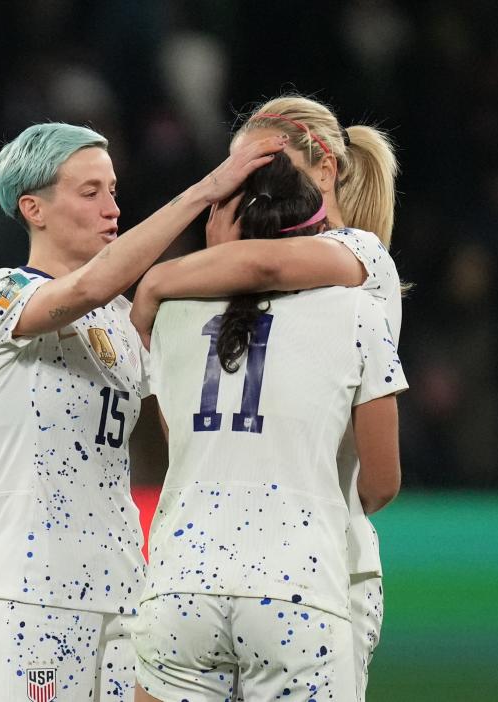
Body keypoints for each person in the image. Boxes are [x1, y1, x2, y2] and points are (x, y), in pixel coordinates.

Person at [0, 121, 286, 702]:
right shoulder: (2, 296)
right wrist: (203, 191)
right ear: (33, 207)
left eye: (113, 190)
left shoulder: (121, 316)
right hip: (34, 599)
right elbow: (84, 290)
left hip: (126, 597)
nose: (112, 208)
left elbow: (182, 430)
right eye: (90, 193)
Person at [129, 95, 402, 700]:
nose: (247, 188)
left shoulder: (364, 262)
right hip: (303, 580)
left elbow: (263, 267)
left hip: (177, 578)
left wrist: (153, 281)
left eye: (256, 171)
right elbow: (382, 481)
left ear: (326, 166)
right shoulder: (347, 313)